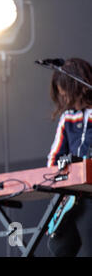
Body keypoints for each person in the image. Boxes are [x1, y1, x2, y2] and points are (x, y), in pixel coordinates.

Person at [46, 57, 92, 257]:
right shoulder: (67, 119)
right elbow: (52, 160)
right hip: (72, 195)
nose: (62, 95)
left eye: (64, 88)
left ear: (77, 86)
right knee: (59, 246)